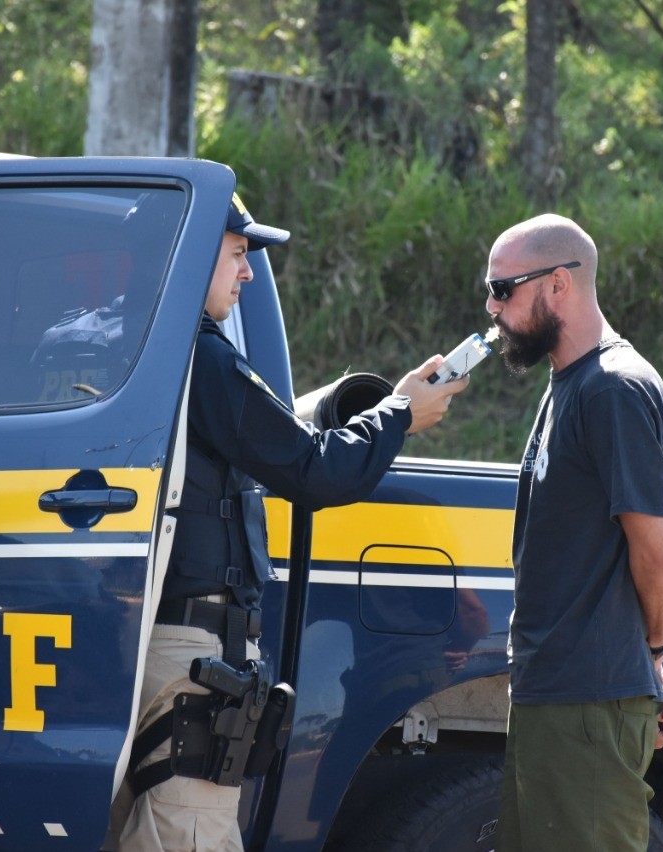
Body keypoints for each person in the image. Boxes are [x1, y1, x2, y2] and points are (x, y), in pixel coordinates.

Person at [111, 192, 469, 851]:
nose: (247, 272)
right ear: (189, 261)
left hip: (126, 647)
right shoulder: (204, 359)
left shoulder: (107, 351)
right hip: (190, 655)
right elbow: (314, 470)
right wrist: (399, 413)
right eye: (238, 254)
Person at [483, 213, 663, 851]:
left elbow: (655, 552)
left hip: (589, 705)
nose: (492, 307)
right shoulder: (570, 382)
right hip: (561, 697)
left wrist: (650, 658)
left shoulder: (612, 390)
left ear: (559, 284)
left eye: (504, 289)